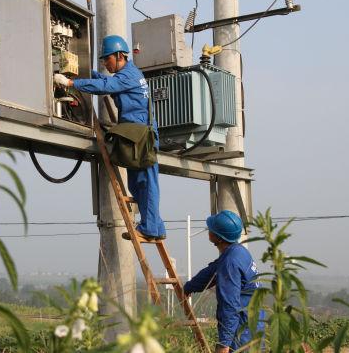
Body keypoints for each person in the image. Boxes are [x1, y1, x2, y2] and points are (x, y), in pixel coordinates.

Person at [53, 35, 166, 241]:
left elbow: (106, 87)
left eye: (107, 59)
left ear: (119, 56)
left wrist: (70, 82)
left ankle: (151, 228)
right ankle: (155, 227)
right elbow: (105, 82)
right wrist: (84, 72)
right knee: (138, 183)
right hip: (133, 135)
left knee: (147, 183)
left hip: (141, 136)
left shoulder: (128, 75)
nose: (105, 63)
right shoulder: (126, 75)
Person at [184, 210, 262, 352]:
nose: (209, 230)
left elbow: (230, 306)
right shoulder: (238, 252)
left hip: (241, 335)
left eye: (211, 229)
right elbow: (211, 272)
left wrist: (224, 344)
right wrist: (189, 287)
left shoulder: (230, 263)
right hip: (253, 327)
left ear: (219, 237)